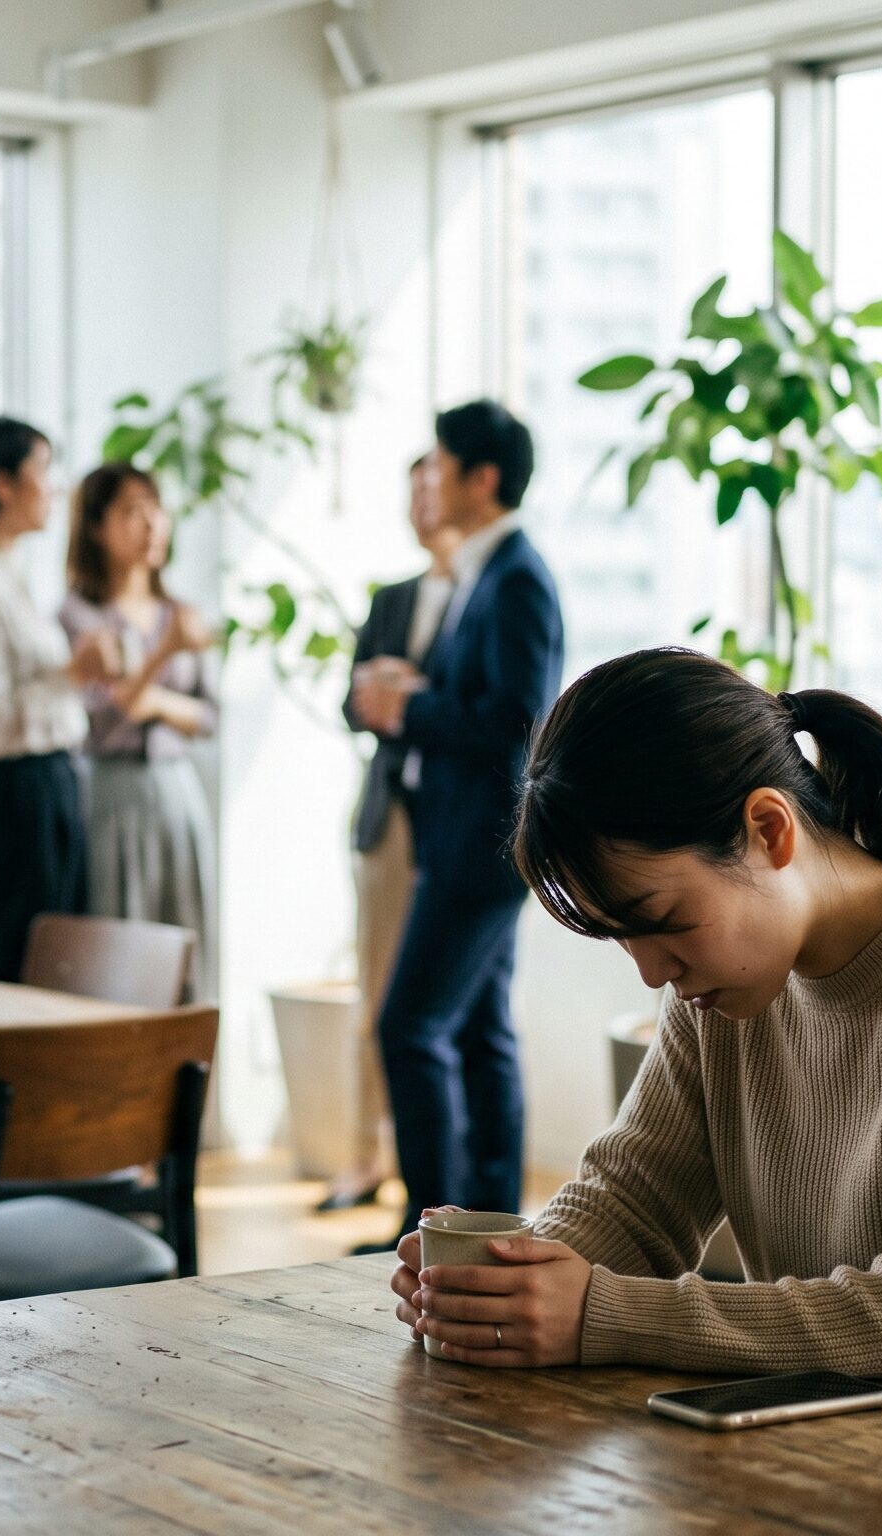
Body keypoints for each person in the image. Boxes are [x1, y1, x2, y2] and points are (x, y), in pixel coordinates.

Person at [386, 648, 882, 1429]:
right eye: (619, 939)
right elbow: (634, 1202)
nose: (649, 973)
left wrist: (601, 1313)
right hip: (867, 1439)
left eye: (661, 923)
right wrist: (503, 1287)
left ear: (770, 830)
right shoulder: (725, 992)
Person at [348, 400, 560, 1240]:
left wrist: (411, 705)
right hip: (464, 834)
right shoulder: (487, 571)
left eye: (437, 465)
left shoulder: (515, 576)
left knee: (410, 1026)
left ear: (482, 478)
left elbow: (515, 720)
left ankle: (427, 1224)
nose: (426, 481)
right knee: (478, 1032)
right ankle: (488, 1222)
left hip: (482, 841)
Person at [325, 453, 461, 1211]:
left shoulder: (484, 594)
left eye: (433, 482)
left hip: (454, 819)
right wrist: (374, 695)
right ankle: (362, 1156)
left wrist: (416, 695)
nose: (421, 500)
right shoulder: (392, 598)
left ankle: (436, 1176)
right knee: (376, 992)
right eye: (410, 487)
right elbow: (352, 705)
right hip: (390, 816)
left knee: (438, 1007)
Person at [0, 416, 111, 983]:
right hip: (12, 800)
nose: (54, 487)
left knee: (58, 974)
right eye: (43, 471)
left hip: (48, 787)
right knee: (13, 976)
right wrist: (70, 675)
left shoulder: (10, 576)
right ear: (2, 484)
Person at [59, 463, 217, 999]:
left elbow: (209, 717)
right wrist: (168, 654)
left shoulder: (180, 610)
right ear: (97, 527)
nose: (151, 524)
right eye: (131, 511)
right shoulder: (79, 614)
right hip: (109, 791)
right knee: (119, 945)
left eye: (155, 508)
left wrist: (149, 697)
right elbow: (108, 710)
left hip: (177, 789)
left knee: (189, 943)